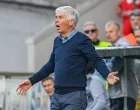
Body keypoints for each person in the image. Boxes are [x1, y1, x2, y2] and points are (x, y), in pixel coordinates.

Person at [16, 6, 119, 110]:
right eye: (56, 17)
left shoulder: (82, 39)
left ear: (71, 22)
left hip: (75, 97)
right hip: (56, 96)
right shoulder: (57, 41)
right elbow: (50, 65)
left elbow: (95, 59)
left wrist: (107, 74)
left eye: (60, 17)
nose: (56, 20)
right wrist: (31, 81)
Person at [105, 20, 138, 110]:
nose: (108, 34)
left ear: (118, 32)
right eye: (106, 32)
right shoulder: (111, 47)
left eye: (111, 31)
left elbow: (113, 67)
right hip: (116, 93)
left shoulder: (123, 45)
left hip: (124, 93)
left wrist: (99, 66)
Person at [83, 21, 110, 110]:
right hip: (88, 81)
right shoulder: (81, 49)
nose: (90, 33)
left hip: (106, 85)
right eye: (87, 32)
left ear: (97, 31)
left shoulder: (107, 46)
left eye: (92, 30)